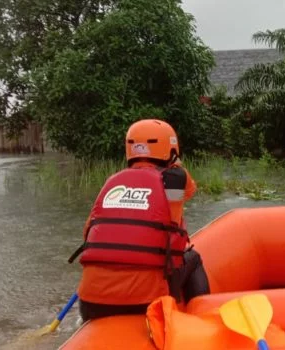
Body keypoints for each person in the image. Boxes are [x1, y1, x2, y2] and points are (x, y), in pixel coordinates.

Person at [68, 119, 210, 322]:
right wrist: (175, 163)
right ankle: (200, 320)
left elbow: (87, 234)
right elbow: (189, 192)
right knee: (193, 258)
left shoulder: (112, 182)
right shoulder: (176, 179)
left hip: (90, 304)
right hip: (146, 302)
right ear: (171, 149)